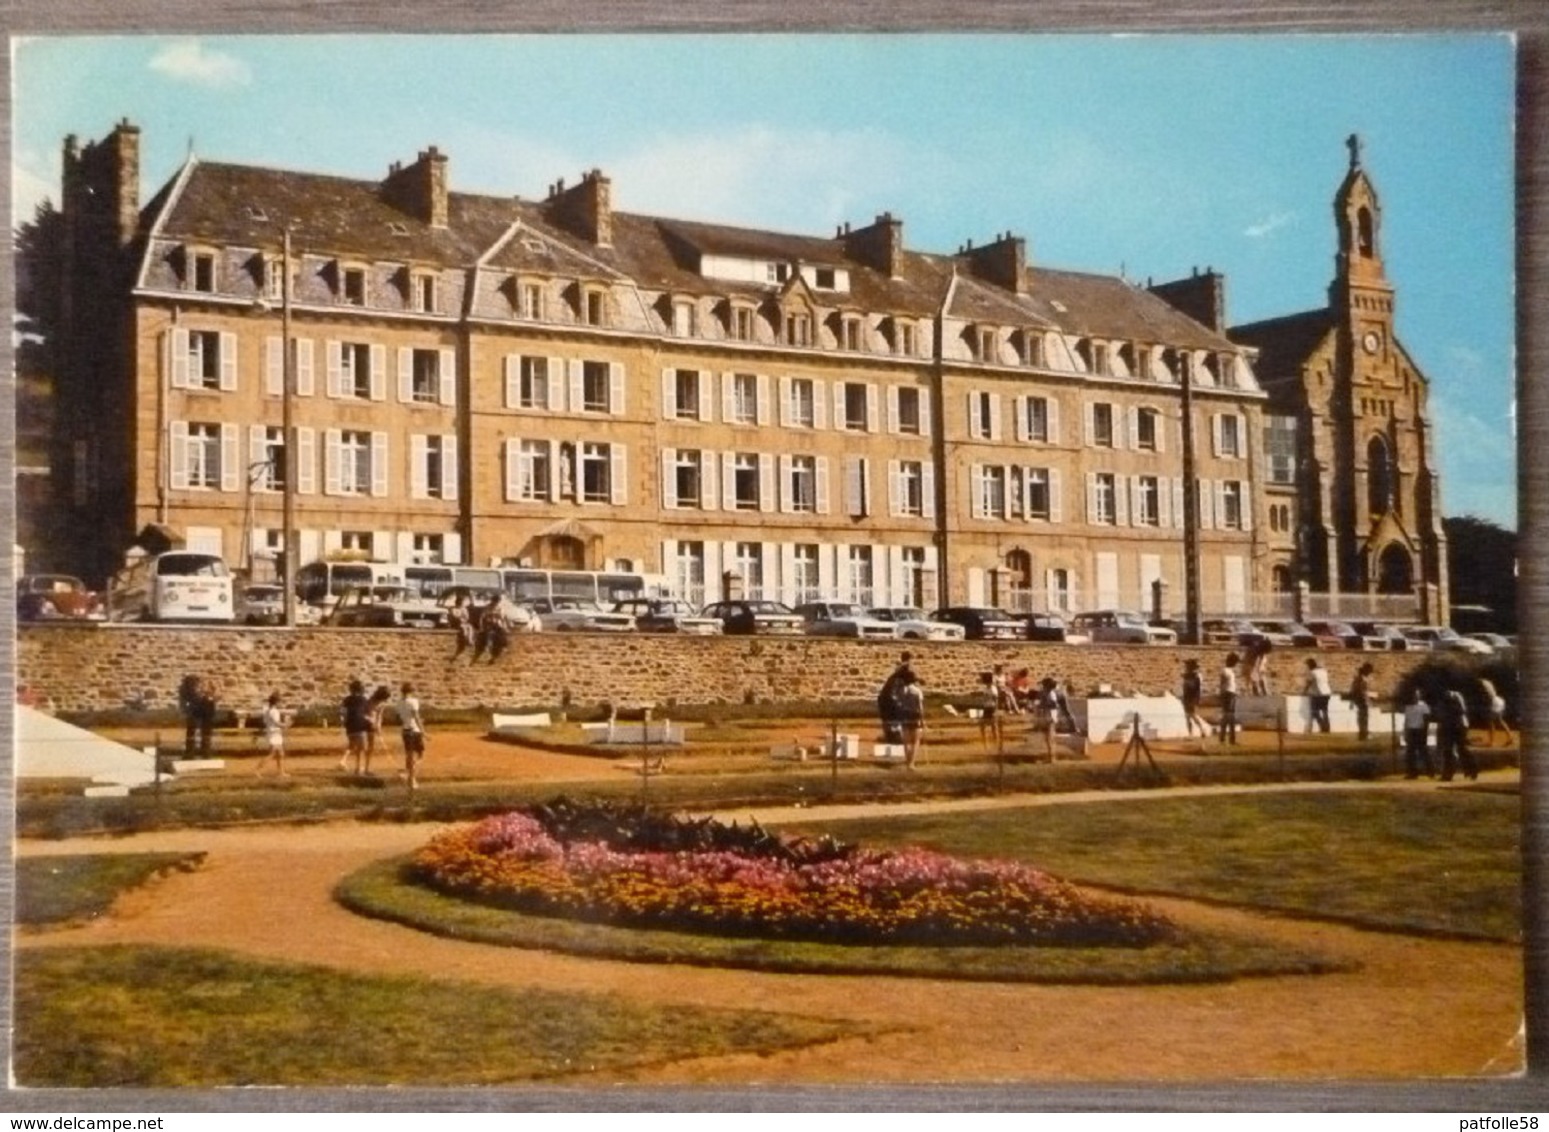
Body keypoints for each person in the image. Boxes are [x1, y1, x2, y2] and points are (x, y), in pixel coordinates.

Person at [1436, 687, 1478, 782]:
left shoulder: (1455, 696)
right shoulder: (1443, 699)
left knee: (1460, 749)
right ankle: (1449, 774)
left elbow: (1462, 710)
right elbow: (1441, 715)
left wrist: (1448, 714)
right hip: (1451, 725)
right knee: (1449, 750)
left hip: (1458, 725)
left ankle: (1471, 770)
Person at [876, 652, 915, 744]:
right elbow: (909, 678)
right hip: (890, 699)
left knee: (888, 719)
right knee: (896, 717)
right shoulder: (904, 670)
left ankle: (891, 737)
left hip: (885, 698)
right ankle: (895, 738)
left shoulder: (897, 671)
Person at [179, 674, 219, 757]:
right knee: (193, 732)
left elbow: (212, 700)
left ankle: (204, 751)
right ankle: (191, 752)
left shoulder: (200, 691)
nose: (198, 685)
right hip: (194, 711)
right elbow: (192, 700)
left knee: (205, 733)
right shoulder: (187, 691)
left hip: (205, 712)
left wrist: (209, 696)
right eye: (196, 683)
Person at [398, 682, 427, 791]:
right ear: (412, 691)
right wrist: (424, 731)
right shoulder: (413, 702)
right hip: (414, 731)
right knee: (420, 755)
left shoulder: (399, 703)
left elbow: (401, 718)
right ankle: (411, 777)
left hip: (405, 730)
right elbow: (416, 717)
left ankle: (408, 774)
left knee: (409, 755)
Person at [338, 679, 371, 775]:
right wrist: (370, 720)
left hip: (349, 724)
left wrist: (343, 720)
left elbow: (342, 711)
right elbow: (365, 713)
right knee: (361, 747)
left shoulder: (347, 699)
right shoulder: (363, 699)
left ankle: (343, 760)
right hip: (360, 724)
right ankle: (358, 767)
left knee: (352, 744)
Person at [254, 691, 289, 778]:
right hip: (274, 734)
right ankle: (258, 769)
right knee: (272, 753)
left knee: (280, 754)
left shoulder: (267, 710)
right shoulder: (273, 711)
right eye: (279, 701)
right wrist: (286, 725)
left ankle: (281, 772)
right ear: (276, 702)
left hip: (275, 733)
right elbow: (277, 723)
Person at [1402, 688, 1434, 779]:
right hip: (1411, 730)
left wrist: (1425, 731)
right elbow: (1406, 721)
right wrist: (1405, 732)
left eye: (1417, 695)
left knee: (1423, 751)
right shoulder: (1408, 707)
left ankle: (1430, 771)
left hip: (1420, 730)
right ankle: (1412, 772)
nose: (1415, 697)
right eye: (1413, 695)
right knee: (1410, 753)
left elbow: (1427, 719)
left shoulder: (1423, 706)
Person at [898, 673, 926, 770]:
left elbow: (899, 705)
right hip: (915, 716)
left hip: (905, 716)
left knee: (906, 741)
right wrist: (923, 720)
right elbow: (920, 707)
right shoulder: (917, 691)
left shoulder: (901, 691)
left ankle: (907, 762)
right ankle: (912, 763)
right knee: (915, 741)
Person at [364, 684, 393, 775]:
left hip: (373, 726)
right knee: (365, 746)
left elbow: (379, 716)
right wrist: (370, 721)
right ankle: (364, 767)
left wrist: (378, 726)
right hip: (365, 724)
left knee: (371, 747)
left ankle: (367, 768)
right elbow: (364, 714)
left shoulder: (382, 703)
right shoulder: (370, 701)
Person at [1180, 658, 1209, 744]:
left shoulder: (1196, 677)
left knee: (1192, 715)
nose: (1186, 667)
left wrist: (1187, 681)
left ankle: (1201, 730)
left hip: (1192, 698)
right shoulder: (1188, 676)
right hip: (1187, 698)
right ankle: (1191, 733)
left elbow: (1194, 688)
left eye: (1187, 666)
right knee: (1188, 716)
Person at [1479, 677, 1513, 747]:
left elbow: (1487, 696)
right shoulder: (1487, 681)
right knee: (1500, 720)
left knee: (1490, 722)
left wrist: (1487, 705)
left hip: (1494, 702)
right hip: (1498, 700)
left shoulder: (1481, 683)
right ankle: (1510, 737)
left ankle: (1491, 742)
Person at [1034, 677, 1061, 761]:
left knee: (1050, 738)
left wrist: (1042, 705)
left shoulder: (1051, 694)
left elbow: (1054, 705)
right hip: (1049, 716)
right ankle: (1051, 756)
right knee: (1049, 738)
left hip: (1050, 717)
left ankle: (1052, 758)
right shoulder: (1047, 693)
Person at [1303, 657, 1332, 734]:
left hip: (1318, 694)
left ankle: (1322, 726)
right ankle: (1327, 728)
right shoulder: (1323, 671)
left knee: (1314, 712)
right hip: (1327, 692)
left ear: (1310, 665)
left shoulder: (1312, 672)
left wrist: (1304, 692)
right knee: (1325, 711)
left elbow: (1308, 683)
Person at [1348, 662, 1376, 741]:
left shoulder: (1359, 678)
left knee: (1363, 717)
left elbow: (1356, 690)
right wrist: (1368, 698)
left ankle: (1363, 733)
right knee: (1363, 717)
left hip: (1360, 699)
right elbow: (1362, 691)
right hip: (1361, 699)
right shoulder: (1361, 679)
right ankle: (1363, 733)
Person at [1217, 652, 1240, 746]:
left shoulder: (1229, 671)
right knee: (1229, 717)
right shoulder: (1226, 671)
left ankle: (1225, 738)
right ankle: (1230, 739)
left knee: (1228, 717)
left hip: (1230, 694)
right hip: (1228, 694)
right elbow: (1223, 684)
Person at [448, 592, 476, 660]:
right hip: (455, 624)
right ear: (457, 602)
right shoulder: (453, 608)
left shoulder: (464, 609)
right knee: (463, 627)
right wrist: (461, 618)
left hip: (463, 622)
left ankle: (469, 640)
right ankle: (466, 639)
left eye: (462, 602)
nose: (461, 603)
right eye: (460, 602)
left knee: (470, 627)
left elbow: (467, 617)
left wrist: (462, 618)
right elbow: (454, 616)